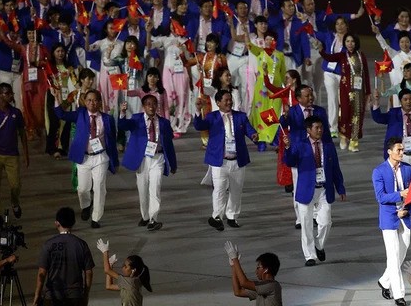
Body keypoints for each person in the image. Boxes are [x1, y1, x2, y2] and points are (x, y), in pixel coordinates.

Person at [283, 115, 346, 266]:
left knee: (326, 222)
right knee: (306, 224)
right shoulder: (300, 145)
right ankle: (310, 256)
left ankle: (319, 245)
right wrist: (287, 148)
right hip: (306, 190)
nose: (320, 130)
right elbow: (290, 161)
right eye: (316, 128)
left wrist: (341, 188)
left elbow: (335, 169)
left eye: (321, 127)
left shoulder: (329, 146)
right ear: (308, 130)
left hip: (324, 189)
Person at [53, 88, 119, 229]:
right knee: (82, 188)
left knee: (99, 187)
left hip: (100, 157)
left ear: (100, 102)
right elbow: (61, 114)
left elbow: (112, 140)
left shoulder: (107, 119)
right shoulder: (80, 114)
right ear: (85, 102)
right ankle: (86, 205)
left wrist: (115, 160)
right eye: (89, 100)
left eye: (95, 100)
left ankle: (96, 218)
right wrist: (57, 97)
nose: (92, 103)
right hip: (84, 157)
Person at [193, 90, 258, 231]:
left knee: (236, 190)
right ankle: (216, 217)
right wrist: (198, 111)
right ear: (218, 103)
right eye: (226, 100)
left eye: (230, 100)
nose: (229, 102)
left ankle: (232, 216)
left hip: (238, 161)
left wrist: (253, 135)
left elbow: (249, 129)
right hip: (219, 161)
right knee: (219, 190)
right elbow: (199, 126)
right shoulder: (212, 117)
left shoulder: (240, 117)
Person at [118, 96, 177, 231]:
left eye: (154, 104)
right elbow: (122, 125)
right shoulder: (136, 119)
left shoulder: (164, 123)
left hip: (158, 158)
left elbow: (169, 144)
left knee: (155, 189)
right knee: (143, 189)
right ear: (143, 106)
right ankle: (145, 216)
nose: (151, 107)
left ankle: (153, 219)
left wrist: (173, 163)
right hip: (142, 159)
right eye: (148, 104)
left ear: (157, 106)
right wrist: (122, 113)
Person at [373, 137, 411, 306]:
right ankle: (399, 295)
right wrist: (400, 194)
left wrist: (409, 210)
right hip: (388, 218)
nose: (402, 152)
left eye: (402, 149)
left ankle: (384, 281)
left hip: (405, 216)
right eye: (398, 150)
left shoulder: (407, 169)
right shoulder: (379, 171)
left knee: (401, 253)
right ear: (389, 151)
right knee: (393, 257)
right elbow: (381, 197)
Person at [279, 84, 331, 228]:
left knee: (318, 183)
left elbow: (325, 131)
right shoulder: (293, 111)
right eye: (307, 96)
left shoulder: (320, 111)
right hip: (300, 154)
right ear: (298, 98)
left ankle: (315, 215)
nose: (310, 98)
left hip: (317, 152)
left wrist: (329, 149)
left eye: (311, 94)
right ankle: (300, 218)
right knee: (299, 186)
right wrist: (285, 116)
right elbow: (282, 124)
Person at [0, 83, 29, 217]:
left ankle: (14, 202)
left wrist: (26, 153)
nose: (10, 96)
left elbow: (22, 133)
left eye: (10, 93)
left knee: (15, 185)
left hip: (12, 156)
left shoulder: (16, 113)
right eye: (7, 93)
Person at [32, 207, 95, 306]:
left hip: (53, 295)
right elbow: (89, 272)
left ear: (57, 223)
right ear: (73, 222)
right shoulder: (81, 244)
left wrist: (37, 295)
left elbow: (42, 273)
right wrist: (85, 294)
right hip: (75, 296)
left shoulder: (48, 245)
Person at [318, 33, 370, 152]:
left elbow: (366, 75)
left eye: (352, 41)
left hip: (359, 92)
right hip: (345, 91)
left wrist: (368, 93)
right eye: (347, 41)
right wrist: (321, 50)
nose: (350, 44)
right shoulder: (342, 55)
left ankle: (354, 140)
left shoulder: (361, 56)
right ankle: (343, 136)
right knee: (345, 114)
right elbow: (329, 58)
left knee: (357, 115)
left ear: (356, 43)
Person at [246, 29, 286, 152]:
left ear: (275, 41)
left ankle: (272, 137)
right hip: (261, 90)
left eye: (271, 39)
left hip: (275, 90)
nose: (269, 41)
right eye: (267, 39)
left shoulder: (280, 55)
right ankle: (261, 140)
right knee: (260, 113)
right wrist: (246, 33)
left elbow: (283, 73)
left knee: (273, 113)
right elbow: (249, 45)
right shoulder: (260, 52)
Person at [372, 88, 411, 169]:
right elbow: (378, 118)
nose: (408, 102)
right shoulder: (393, 113)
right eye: (405, 99)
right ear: (400, 101)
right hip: (400, 156)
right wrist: (376, 101)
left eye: (410, 99)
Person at [372, 25, 411, 109]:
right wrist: (378, 34)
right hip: (398, 91)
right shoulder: (395, 55)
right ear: (398, 43)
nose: (404, 44)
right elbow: (384, 46)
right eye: (402, 42)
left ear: (410, 42)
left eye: (407, 42)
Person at [224, 241, 283, 306]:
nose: (256, 271)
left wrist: (235, 259)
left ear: (266, 269)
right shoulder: (261, 289)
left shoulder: (272, 285)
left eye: (258, 267)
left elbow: (244, 283)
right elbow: (238, 292)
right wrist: (233, 266)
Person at [96, 239, 153, 306]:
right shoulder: (133, 282)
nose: (123, 268)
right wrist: (110, 265)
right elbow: (109, 286)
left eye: (125, 266)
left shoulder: (129, 282)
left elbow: (107, 270)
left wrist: (105, 252)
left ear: (133, 270)